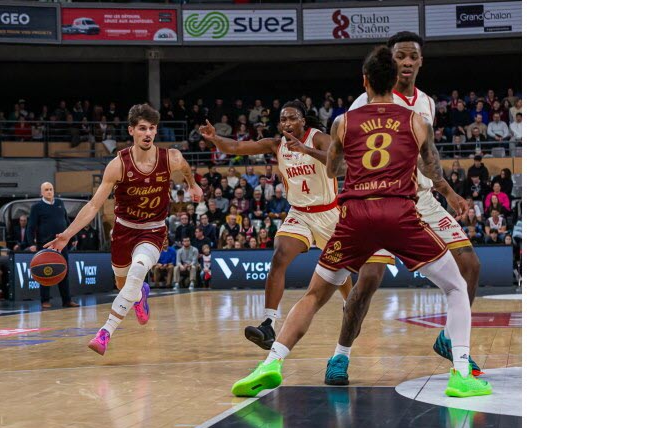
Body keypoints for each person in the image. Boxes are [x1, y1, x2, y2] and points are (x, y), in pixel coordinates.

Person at [231, 45, 490, 399]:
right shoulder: (416, 120)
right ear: (394, 80)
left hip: (354, 217)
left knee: (314, 295)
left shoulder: (343, 121)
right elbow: (431, 169)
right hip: (399, 213)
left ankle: (270, 364)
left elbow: (334, 168)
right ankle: (461, 374)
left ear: (365, 81)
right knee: (457, 287)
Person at [326, 32, 483, 383]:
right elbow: (345, 154)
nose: (407, 62)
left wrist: (451, 194)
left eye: (413, 56)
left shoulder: (425, 103)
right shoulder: (361, 103)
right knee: (366, 283)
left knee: (470, 264)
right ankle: (340, 355)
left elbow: (427, 161)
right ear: (390, 62)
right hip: (379, 199)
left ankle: (449, 339)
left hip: (421, 199)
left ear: (421, 61)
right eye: (401, 56)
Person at [201, 100, 366, 350]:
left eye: (292, 118)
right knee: (279, 256)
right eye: (283, 119)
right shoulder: (276, 144)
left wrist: (306, 150)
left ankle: (351, 306)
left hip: (329, 213)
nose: (287, 123)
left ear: (303, 120)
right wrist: (215, 139)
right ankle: (268, 323)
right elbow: (236, 146)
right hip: (299, 213)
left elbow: (341, 167)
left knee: (338, 270)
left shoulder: (318, 138)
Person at [44, 103, 202, 355]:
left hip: (153, 230)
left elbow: (185, 169)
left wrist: (193, 185)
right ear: (131, 131)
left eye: (151, 128)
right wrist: (67, 235)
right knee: (123, 283)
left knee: (138, 270)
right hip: (124, 230)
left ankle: (105, 332)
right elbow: (94, 205)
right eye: (142, 128)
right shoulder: (118, 165)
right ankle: (140, 295)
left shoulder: (170, 157)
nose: (148, 133)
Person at [27, 182, 80, 309]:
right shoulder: (37, 207)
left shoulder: (60, 204)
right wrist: (31, 243)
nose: (49, 191)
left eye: (51, 189)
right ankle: (45, 300)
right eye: (46, 190)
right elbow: (31, 227)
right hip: (45, 245)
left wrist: (73, 237)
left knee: (64, 272)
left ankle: (67, 300)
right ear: (41, 192)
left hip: (61, 244)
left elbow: (67, 222)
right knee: (45, 272)